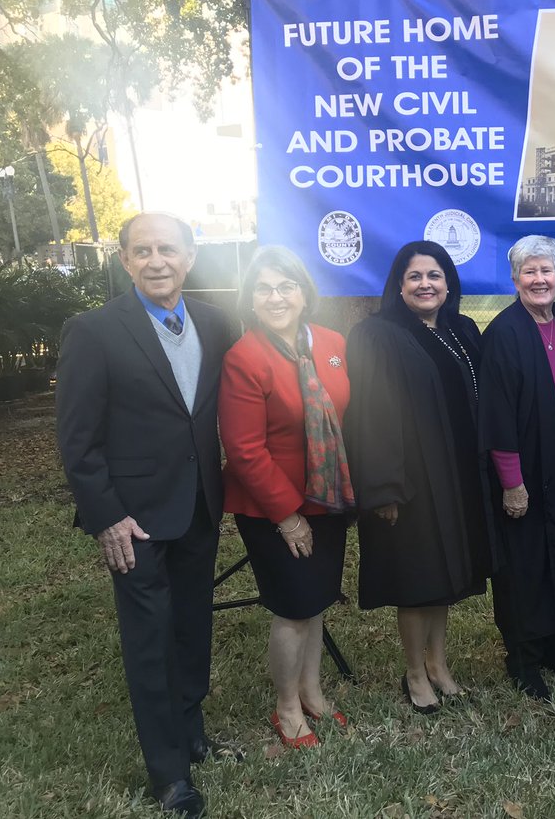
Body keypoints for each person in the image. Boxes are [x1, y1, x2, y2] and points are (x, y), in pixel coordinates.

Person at [56, 213, 235, 818]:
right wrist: (106, 516)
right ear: (125, 260)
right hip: (133, 519)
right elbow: (77, 440)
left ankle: (191, 730)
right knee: (150, 638)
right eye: (143, 251)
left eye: (168, 249)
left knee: (192, 624)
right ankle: (168, 771)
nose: (157, 261)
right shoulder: (94, 331)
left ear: (190, 257)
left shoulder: (214, 322)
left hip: (199, 504)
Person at [344, 241, 491, 713]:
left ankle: (438, 665)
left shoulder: (460, 330)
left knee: (445, 577)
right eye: (415, 276)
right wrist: (384, 486)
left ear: (448, 283)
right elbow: (369, 414)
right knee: (417, 576)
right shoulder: (376, 335)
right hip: (408, 480)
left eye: (434, 275)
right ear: (399, 285)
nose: (426, 284)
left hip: (455, 475)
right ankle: (413, 672)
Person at [219, 246, 354, 749]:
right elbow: (244, 449)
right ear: (250, 300)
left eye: (286, 286)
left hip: (327, 497)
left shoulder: (332, 343)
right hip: (274, 508)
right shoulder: (244, 358)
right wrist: (288, 516)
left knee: (316, 602)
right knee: (293, 608)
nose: (276, 297)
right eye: (264, 289)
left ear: (304, 293)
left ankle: (312, 691)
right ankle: (287, 707)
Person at [479, 235, 555, 701]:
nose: (539, 279)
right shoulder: (504, 333)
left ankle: (553, 648)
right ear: (515, 280)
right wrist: (512, 484)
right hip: (525, 470)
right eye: (529, 271)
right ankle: (522, 657)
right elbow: (497, 416)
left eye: (546, 270)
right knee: (526, 564)